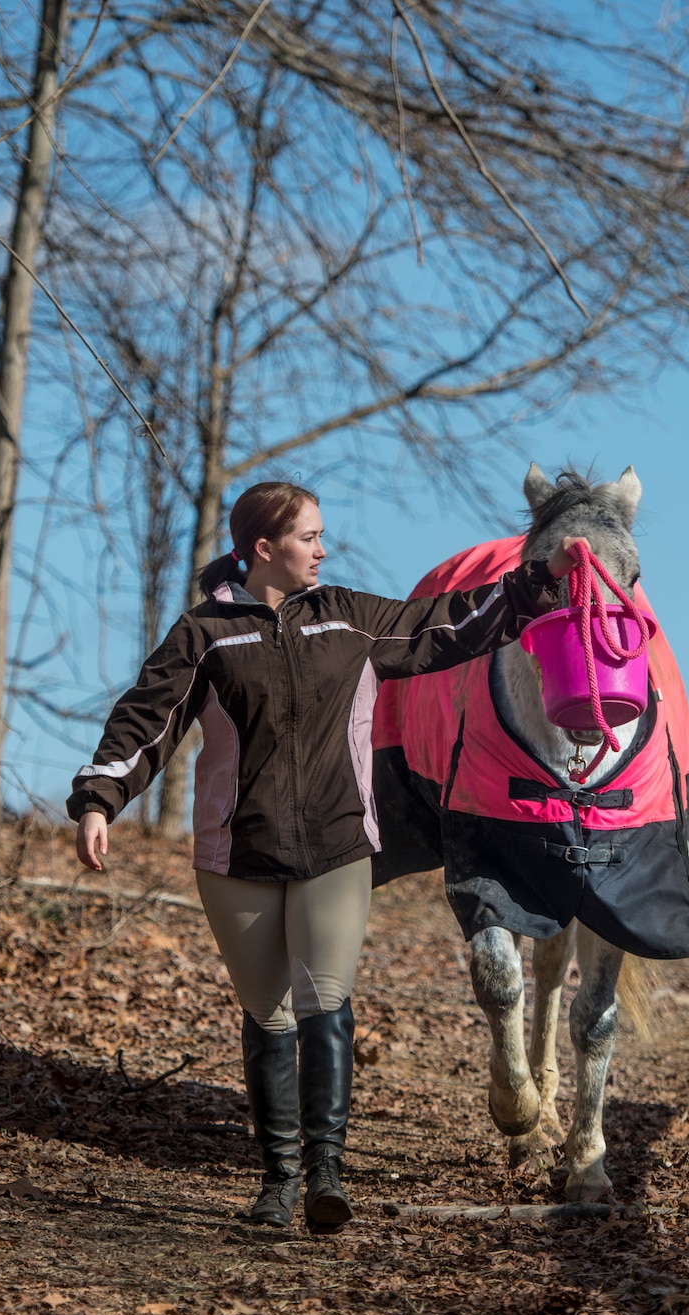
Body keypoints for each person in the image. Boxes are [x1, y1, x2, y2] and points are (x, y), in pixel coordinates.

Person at [67, 481, 577, 1233]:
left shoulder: (349, 619)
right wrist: (99, 799)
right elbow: (148, 718)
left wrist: (543, 578)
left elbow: (453, 625)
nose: (324, 548)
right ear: (265, 549)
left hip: (337, 846)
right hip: (235, 854)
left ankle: (325, 1175)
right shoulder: (205, 635)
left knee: (324, 1001)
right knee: (268, 1012)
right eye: (310, 536)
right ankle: (276, 1178)